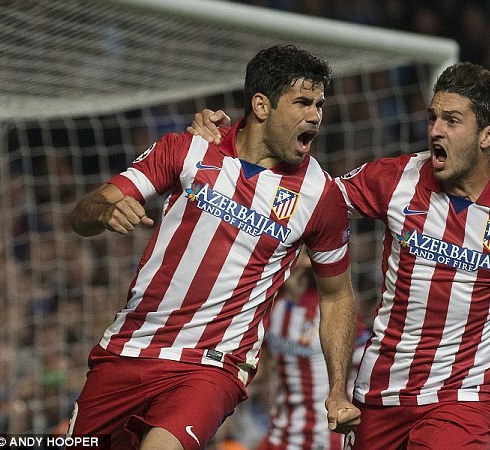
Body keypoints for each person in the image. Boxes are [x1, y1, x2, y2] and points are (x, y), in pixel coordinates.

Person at [189, 60, 490, 449]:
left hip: (466, 396)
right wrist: (228, 144)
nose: (436, 129)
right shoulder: (396, 179)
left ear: (488, 134)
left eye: (452, 121)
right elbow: (315, 201)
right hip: (381, 391)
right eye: (433, 117)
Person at [66, 44, 361, 450]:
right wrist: (104, 212)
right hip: (129, 347)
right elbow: (82, 214)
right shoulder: (188, 149)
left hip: (211, 365)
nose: (315, 115)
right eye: (302, 103)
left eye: (319, 105)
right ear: (261, 105)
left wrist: (337, 390)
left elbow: (338, 297)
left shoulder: (320, 196)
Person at [255, 248, 369, 450]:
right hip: (280, 435)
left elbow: (366, 371)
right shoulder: (271, 301)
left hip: (326, 439)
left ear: (307, 259)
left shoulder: (332, 311)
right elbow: (261, 367)